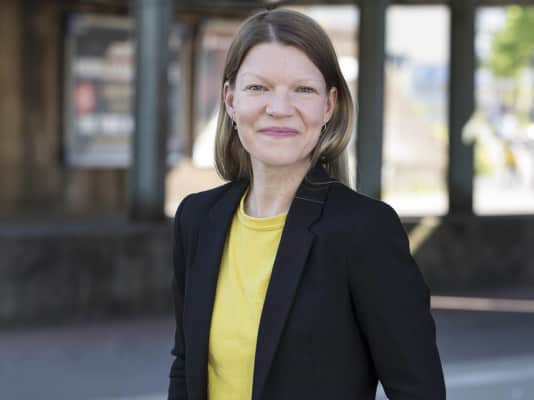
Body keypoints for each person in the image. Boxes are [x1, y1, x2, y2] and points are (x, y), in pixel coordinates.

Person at [168, 8, 445, 400]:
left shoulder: (364, 230)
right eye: (258, 87)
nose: (279, 108)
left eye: (303, 90)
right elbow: (186, 365)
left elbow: (419, 390)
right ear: (230, 100)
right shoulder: (197, 219)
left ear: (328, 105)